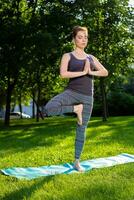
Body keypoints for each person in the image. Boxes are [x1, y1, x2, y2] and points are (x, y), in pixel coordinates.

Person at [43, 26, 108, 171]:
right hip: (71, 92)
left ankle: (77, 161)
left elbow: (104, 72)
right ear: (74, 39)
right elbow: (63, 74)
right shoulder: (68, 56)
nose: (83, 40)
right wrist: (82, 72)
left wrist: (90, 71)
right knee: (49, 108)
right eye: (80, 37)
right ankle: (75, 109)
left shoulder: (91, 57)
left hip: (87, 97)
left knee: (81, 128)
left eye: (85, 37)